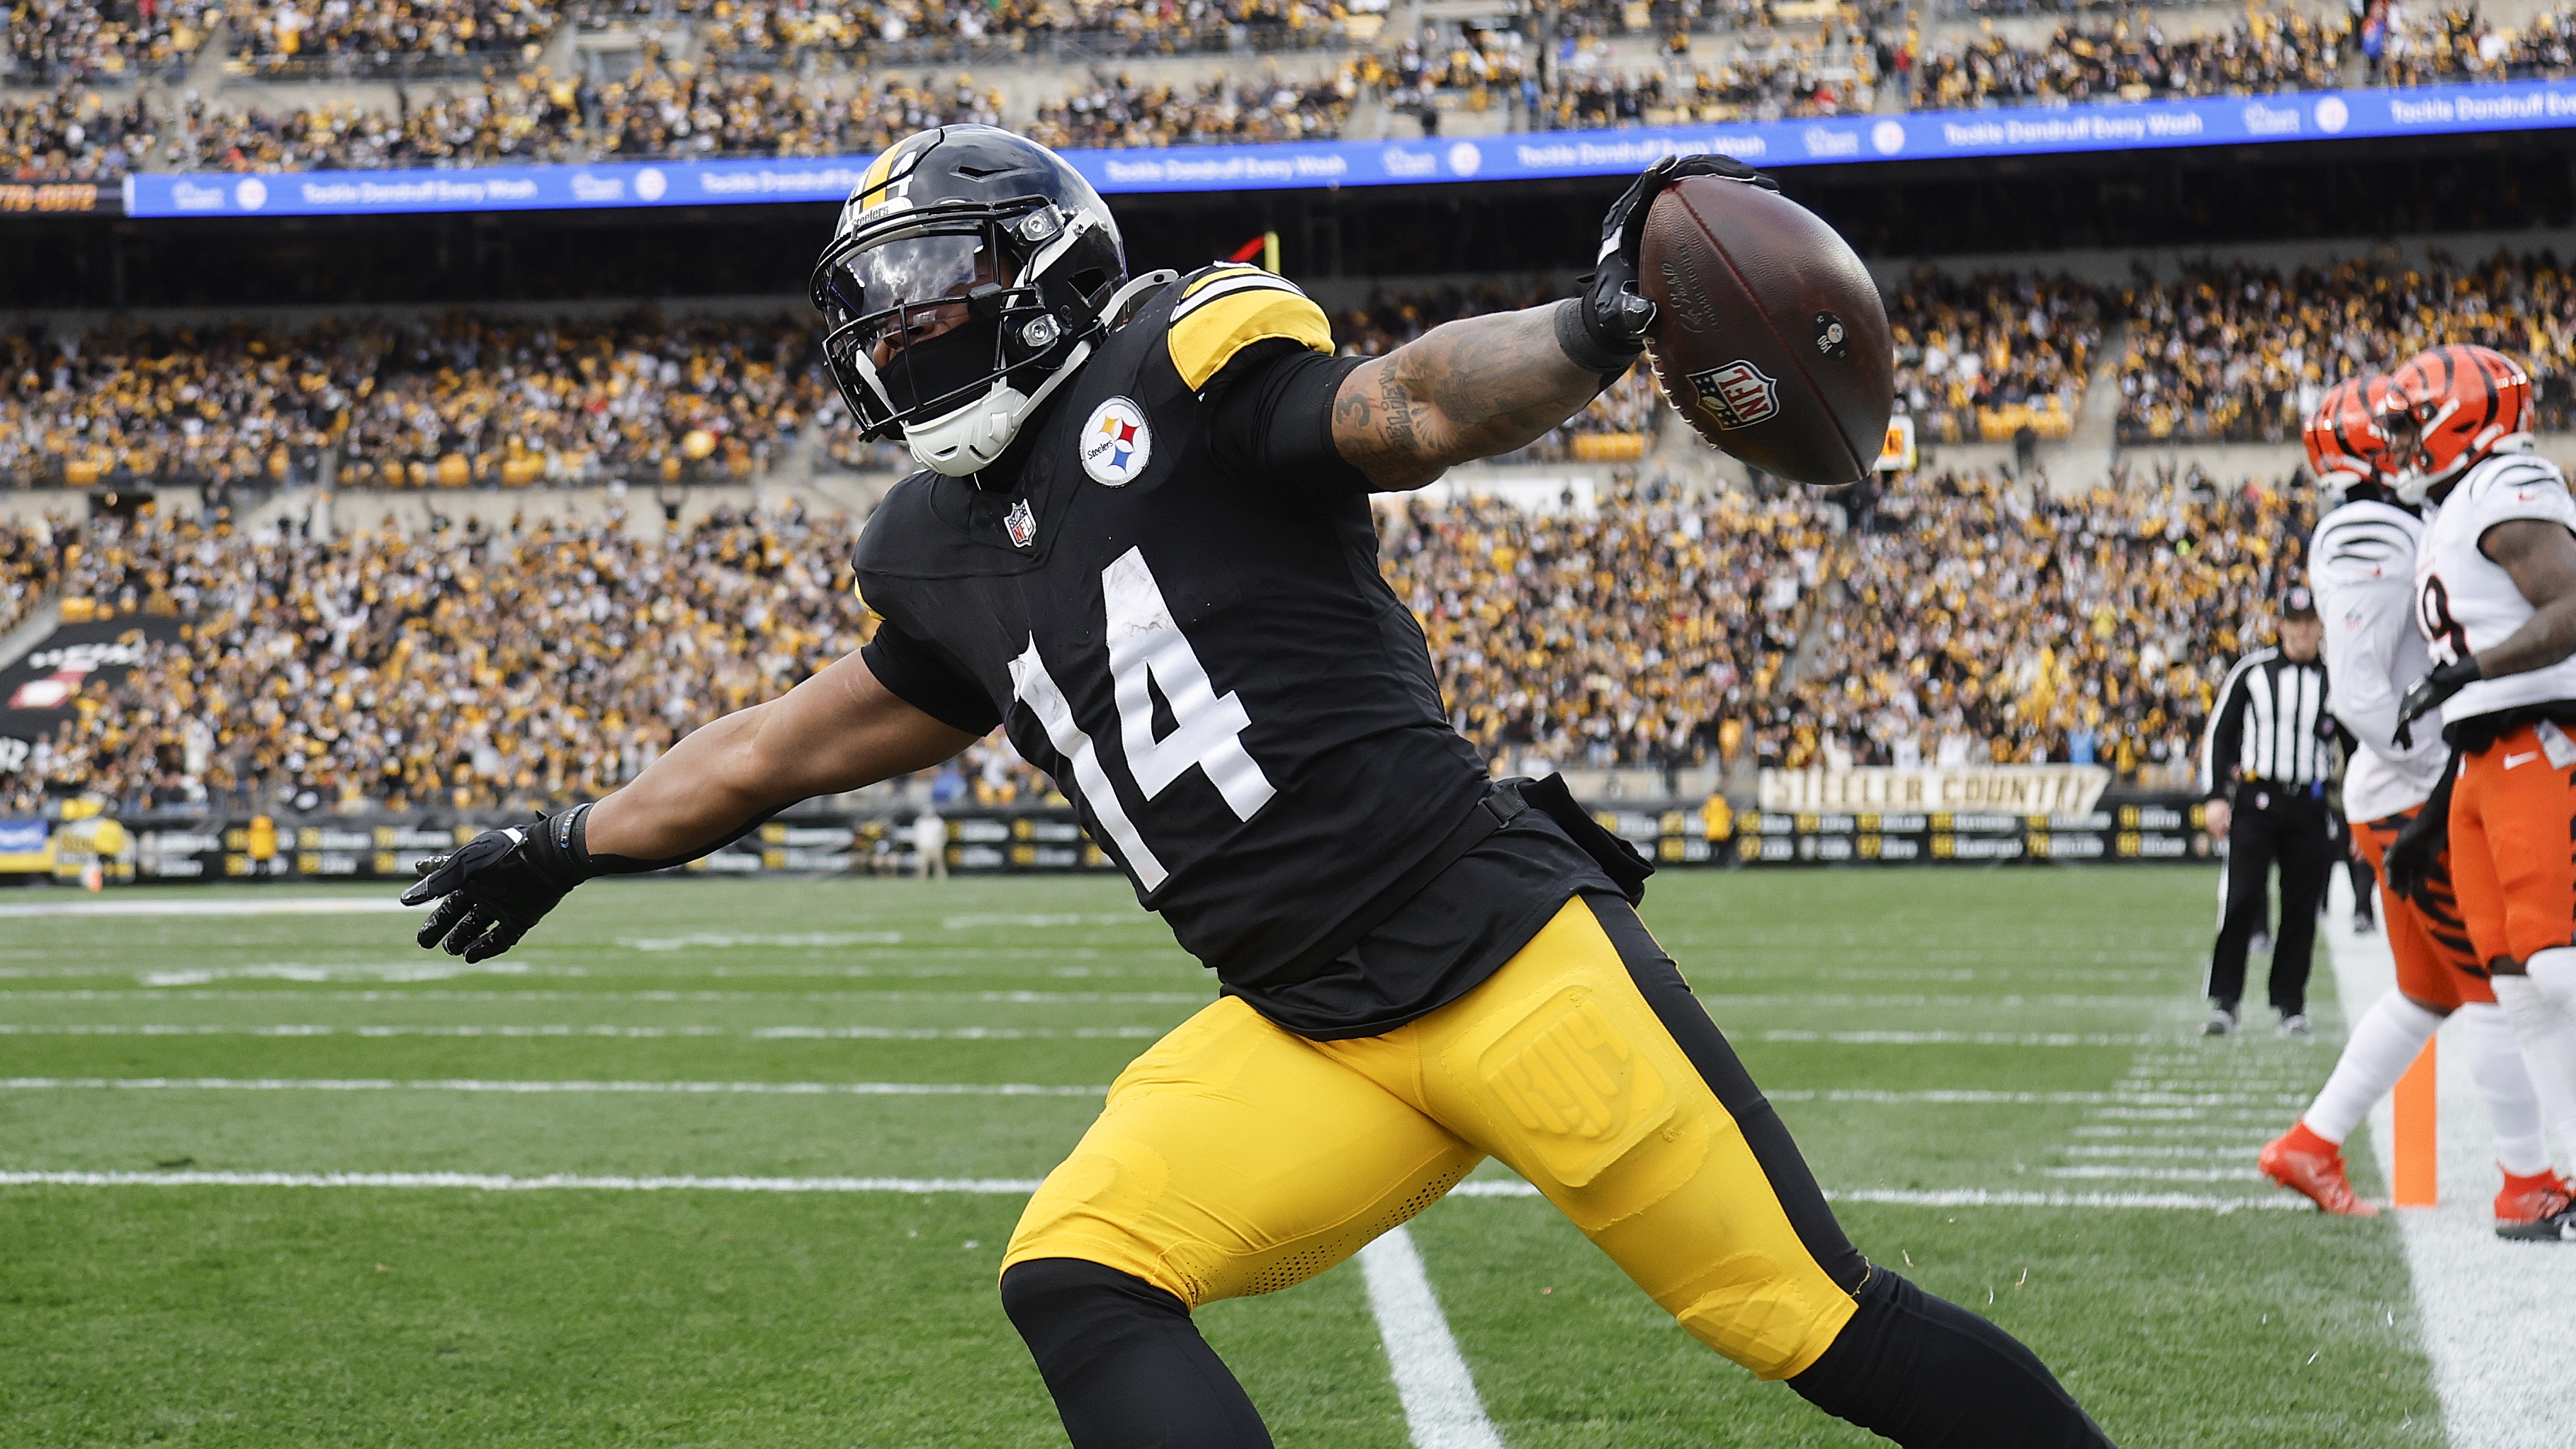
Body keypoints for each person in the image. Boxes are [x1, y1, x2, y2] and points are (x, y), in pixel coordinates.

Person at [400, 128, 2113, 1447]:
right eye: (882, 294)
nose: (900, 322)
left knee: (1806, 1321)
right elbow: (782, 746)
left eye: (934, 279)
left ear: (1041, 273)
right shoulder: (927, 548)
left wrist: (1597, 328)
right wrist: (570, 837)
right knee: (1077, 1268)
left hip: (1504, 961)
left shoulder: (1187, 357)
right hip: (1305, 1024)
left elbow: (1407, 407)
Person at [2255, 377, 2567, 1231]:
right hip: (2411, 787)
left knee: (2426, 990)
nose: (2404, 447)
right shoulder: (2367, 527)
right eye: (2388, 434)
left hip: (2408, 789)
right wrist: (2444, 770)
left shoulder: (2386, 519)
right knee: (2498, 981)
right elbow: (2361, 693)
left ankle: (2311, 1143)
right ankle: (2528, 1180)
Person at [2382, 343, 2576, 1241]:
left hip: (2541, 735)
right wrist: (2431, 816)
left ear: (2465, 413)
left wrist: (2469, 670)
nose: (2405, 439)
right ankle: (2559, 1177)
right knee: (2517, 982)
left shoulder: (2507, 484)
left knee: (2556, 961)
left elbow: (2571, 604)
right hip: (2484, 758)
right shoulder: (2458, 501)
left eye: (2414, 419)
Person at [2201, 587, 2336, 1036]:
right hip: (2257, 801)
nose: (2302, 629)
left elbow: (2357, 745)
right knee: (2242, 900)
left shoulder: (2335, 678)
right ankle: (2225, 1000)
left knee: (2301, 908)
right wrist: (2215, 796)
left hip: (2309, 804)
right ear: (2280, 626)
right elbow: (2220, 733)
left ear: (2320, 625)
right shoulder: (2254, 672)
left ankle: (2290, 1004)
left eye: (2309, 621)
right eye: (2294, 621)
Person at [912, 806, 947, 879]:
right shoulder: (920, 822)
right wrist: (918, 846)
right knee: (923, 865)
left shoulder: (938, 822)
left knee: (939, 864)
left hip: (936, 846)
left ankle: (942, 878)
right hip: (924, 847)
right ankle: (922, 878)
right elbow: (916, 836)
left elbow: (943, 834)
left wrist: (941, 845)